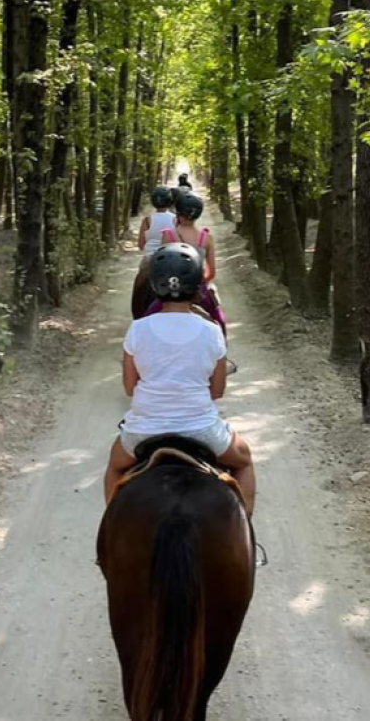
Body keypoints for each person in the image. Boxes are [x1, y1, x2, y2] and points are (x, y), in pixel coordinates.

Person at [104, 243, 256, 513]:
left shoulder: (137, 329)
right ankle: (246, 535)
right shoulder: (211, 331)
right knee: (243, 461)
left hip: (144, 429)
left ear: (154, 284)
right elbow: (217, 391)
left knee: (114, 469)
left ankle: (108, 548)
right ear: (197, 284)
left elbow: (129, 387)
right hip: (201, 428)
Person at [145, 190, 226, 339]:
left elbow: (161, 264)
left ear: (178, 212)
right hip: (197, 289)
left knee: (148, 314)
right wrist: (201, 282)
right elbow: (211, 272)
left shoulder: (168, 235)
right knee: (219, 318)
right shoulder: (206, 238)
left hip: (170, 288)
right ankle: (222, 348)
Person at [132, 187, 176, 319]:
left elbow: (141, 245)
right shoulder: (175, 219)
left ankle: (137, 313)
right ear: (169, 202)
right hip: (170, 257)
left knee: (139, 283)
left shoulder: (147, 220)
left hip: (150, 258)